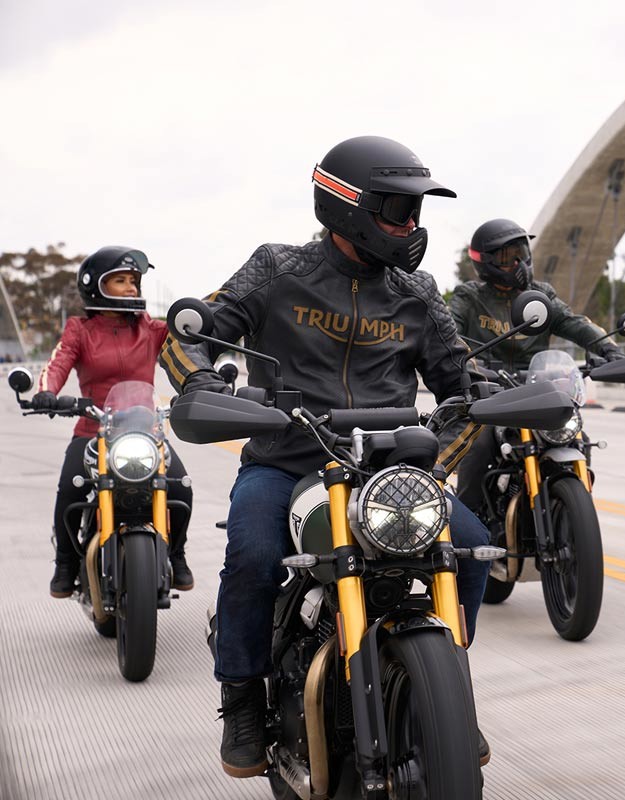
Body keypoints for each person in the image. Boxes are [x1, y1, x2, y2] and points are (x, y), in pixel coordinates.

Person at [159, 135, 493, 777]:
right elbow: (191, 333)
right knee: (253, 557)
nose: (412, 225)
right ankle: (242, 697)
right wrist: (199, 380)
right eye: (399, 209)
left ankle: (448, 688)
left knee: (472, 550)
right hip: (285, 461)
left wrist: (466, 429)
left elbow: (461, 382)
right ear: (349, 207)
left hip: (385, 470)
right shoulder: (277, 269)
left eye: (417, 211)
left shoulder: (417, 292)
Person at [34, 247, 194, 598]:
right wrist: (47, 392)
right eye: (120, 280)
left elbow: (187, 348)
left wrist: (207, 378)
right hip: (94, 431)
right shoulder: (80, 330)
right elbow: (58, 362)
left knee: (181, 486)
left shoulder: (150, 329)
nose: (130, 287)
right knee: (70, 489)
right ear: (96, 286)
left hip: (145, 431)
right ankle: (65, 563)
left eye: (133, 281)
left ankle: (177, 553)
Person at [449, 218, 625, 515]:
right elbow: (449, 334)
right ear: (487, 261)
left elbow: (575, 324)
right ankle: (472, 527)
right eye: (508, 257)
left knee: (576, 436)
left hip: (535, 392)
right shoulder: (471, 297)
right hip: (487, 393)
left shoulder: (541, 295)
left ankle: (572, 508)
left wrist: (610, 350)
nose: (519, 263)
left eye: (522, 253)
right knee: (478, 446)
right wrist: (467, 364)